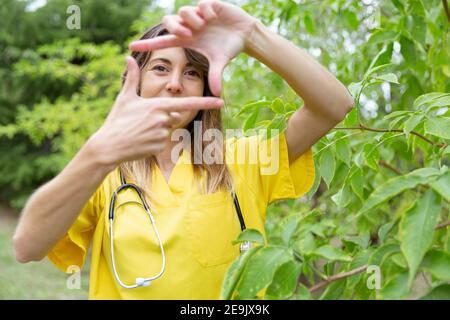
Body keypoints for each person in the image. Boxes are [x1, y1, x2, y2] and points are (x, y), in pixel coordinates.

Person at [13, 0, 354, 299]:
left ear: (206, 86)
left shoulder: (242, 160)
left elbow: (334, 106)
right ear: (136, 81)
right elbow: (27, 246)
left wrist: (252, 35)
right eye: (160, 68)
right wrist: (98, 153)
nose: (175, 83)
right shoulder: (104, 172)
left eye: (191, 72)